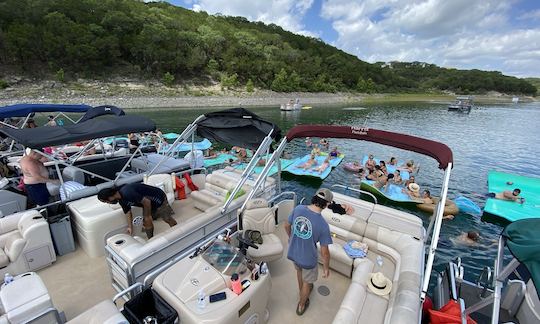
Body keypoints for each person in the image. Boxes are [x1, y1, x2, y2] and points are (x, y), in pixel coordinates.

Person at [285, 188, 333, 316]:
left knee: (299, 272)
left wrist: (291, 237)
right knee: (308, 281)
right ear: (327, 204)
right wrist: (326, 268)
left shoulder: (298, 208)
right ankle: (301, 305)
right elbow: (325, 252)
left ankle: (302, 291)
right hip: (308, 259)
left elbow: (286, 225)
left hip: (294, 253)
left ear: (314, 198)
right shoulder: (323, 225)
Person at [97, 183, 177, 239]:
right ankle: (151, 240)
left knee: (166, 218)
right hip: (148, 203)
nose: (108, 203)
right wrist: (130, 227)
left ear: (110, 196)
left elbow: (146, 201)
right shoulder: (121, 200)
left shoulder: (127, 192)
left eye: (106, 201)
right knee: (146, 222)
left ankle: (177, 230)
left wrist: (147, 216)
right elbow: (128, 212)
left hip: (158, 198)